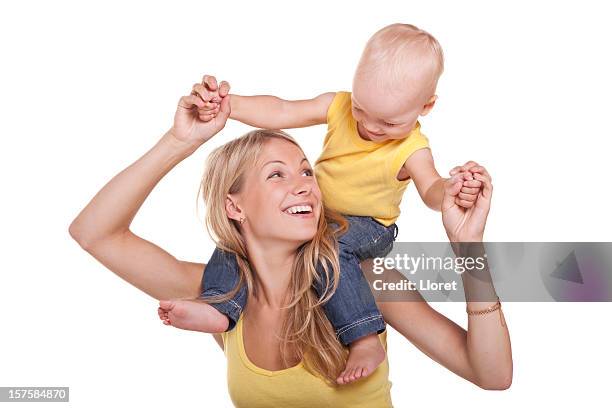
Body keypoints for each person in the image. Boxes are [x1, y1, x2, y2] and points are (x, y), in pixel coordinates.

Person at [68, 76, 512, 407]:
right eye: (277, 175)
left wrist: (467, 247)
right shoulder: (219, 297)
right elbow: (94, 233)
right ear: (234, 207)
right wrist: (179, 141)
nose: (305, 185)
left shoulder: (363, 277)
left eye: (305, 170)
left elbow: (490, 375)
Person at [180, 23, 484, 384]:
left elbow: (430, 187)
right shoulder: (338, 106)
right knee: (242, 235)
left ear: (426, 106)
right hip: (322, 216)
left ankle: (364, 337)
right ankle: (220, 306)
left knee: (329, 247)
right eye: (361, 109)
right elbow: (281, 111)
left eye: (387, 122)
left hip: (368, 228)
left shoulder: (411, 149)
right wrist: (232, 106)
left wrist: (449, 190)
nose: (369, 126)